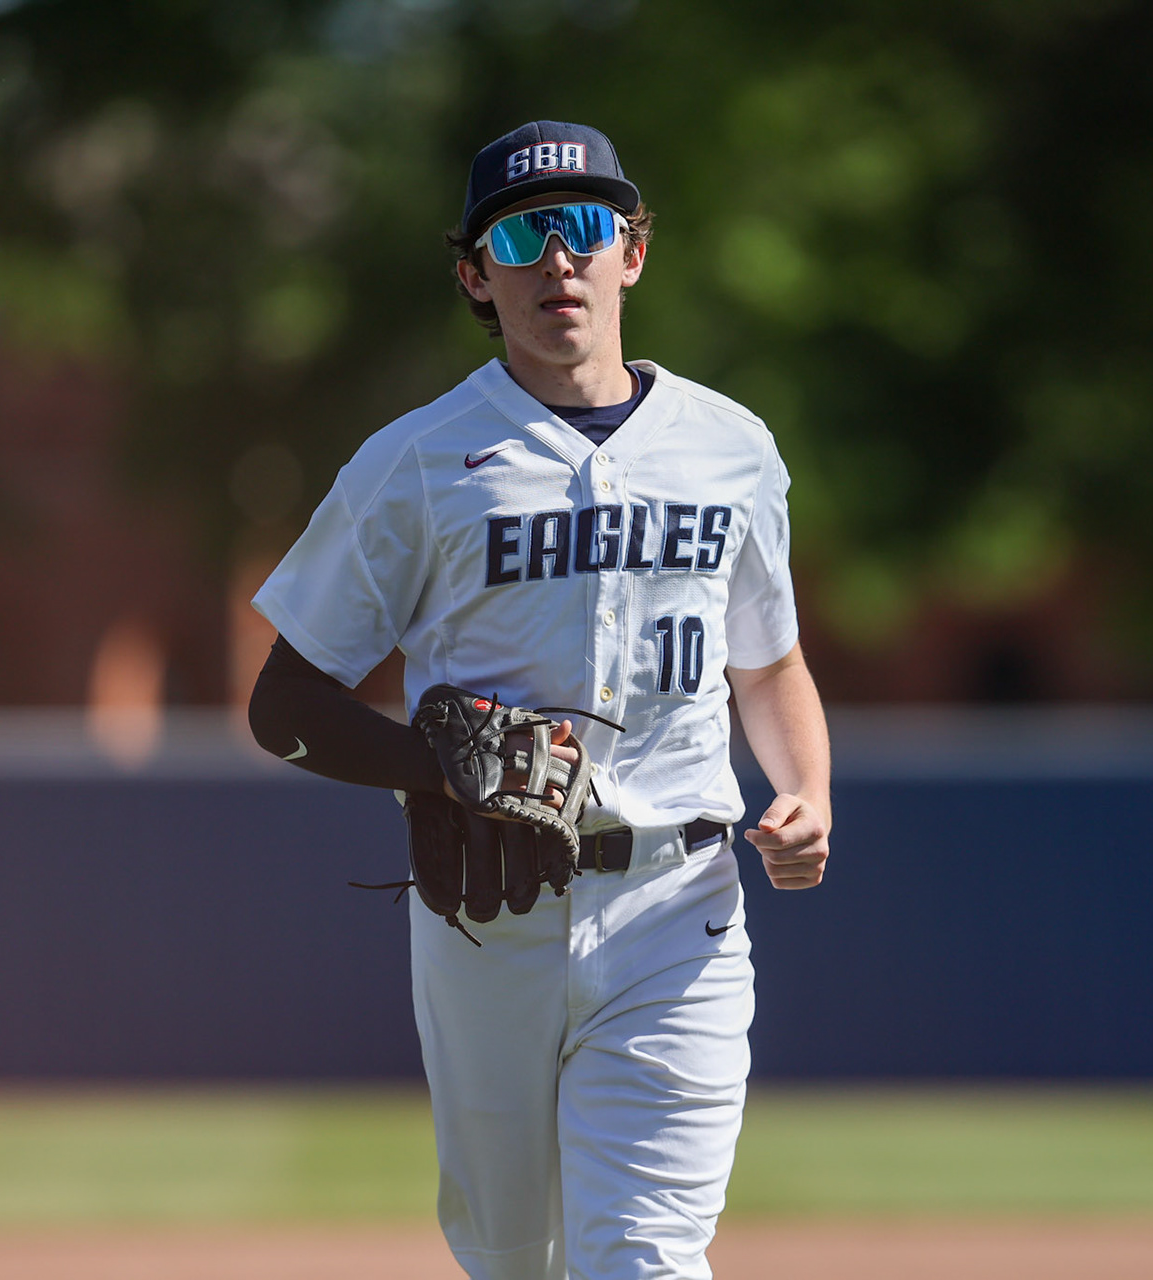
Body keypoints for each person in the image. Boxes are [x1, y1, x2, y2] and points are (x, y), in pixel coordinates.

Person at [244, 119, 832, 1279]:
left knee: (646, 1258)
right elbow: (284, 704)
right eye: (521, 233)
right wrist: (438, 765)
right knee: (513, 1259)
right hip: (490, 917)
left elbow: (767, 663)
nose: (557, 257)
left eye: (586, 226)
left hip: (683, 902)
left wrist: (806, 786)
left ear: (633, 253)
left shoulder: (731, 447)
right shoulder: (416, 463)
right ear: (476, 273)